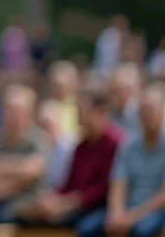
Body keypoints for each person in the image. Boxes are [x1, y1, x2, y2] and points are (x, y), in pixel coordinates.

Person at [77, 82, 165, 237]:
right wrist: (116, 212)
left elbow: (163, 195)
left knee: (141, 233)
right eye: (144, 111)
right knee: (86, 231)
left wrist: (132, 216)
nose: (147, 116)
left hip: (157, 210)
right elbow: (118, 183)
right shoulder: (129, 145)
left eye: (152, 110)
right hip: (129, 207)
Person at [18, 89, 122, 228]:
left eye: (83, 112)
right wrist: (52, 199)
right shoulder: (81, 146)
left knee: (86, 229)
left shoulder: (116, 144)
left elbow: (104, 189)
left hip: (101, 208)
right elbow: (71, 183)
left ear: (100, 112)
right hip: (76, 206)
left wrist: (67, 203)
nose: (79, 117)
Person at [0, 84, 51, 223]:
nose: (12, 115)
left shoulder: (39, 139)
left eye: (17, 111)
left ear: (29, 113)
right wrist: (19, 167)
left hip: (27, 201)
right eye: (8, 110)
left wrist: (5, 184)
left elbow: (32, 171)